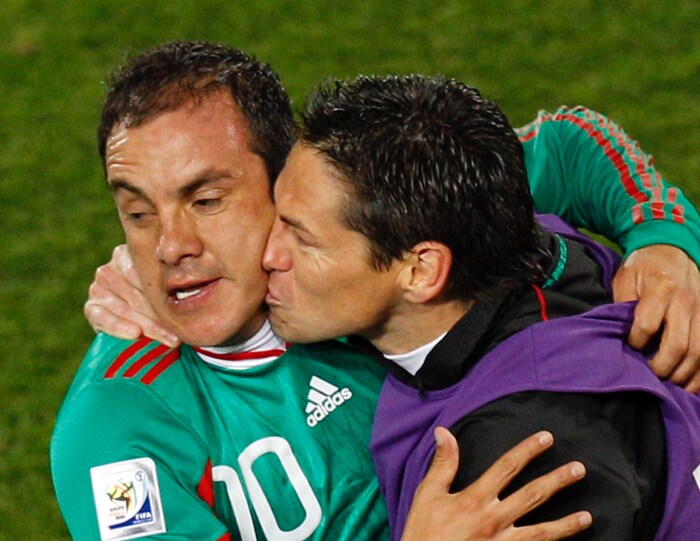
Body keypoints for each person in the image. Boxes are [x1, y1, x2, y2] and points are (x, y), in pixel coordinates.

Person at [57, 40, 700, 540]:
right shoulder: (119, 425)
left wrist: (665, 242)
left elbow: (566, 145)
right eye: (138, 214)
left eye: (206, 199)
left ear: (288, 183)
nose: (170, 248)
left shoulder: (369, 223)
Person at [260, 74, 700, 540]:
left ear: (421, 271)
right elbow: (567, 142)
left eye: (302, 238)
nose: (268, 255)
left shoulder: (512, 465)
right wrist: (664, 235)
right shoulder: (515, 238)